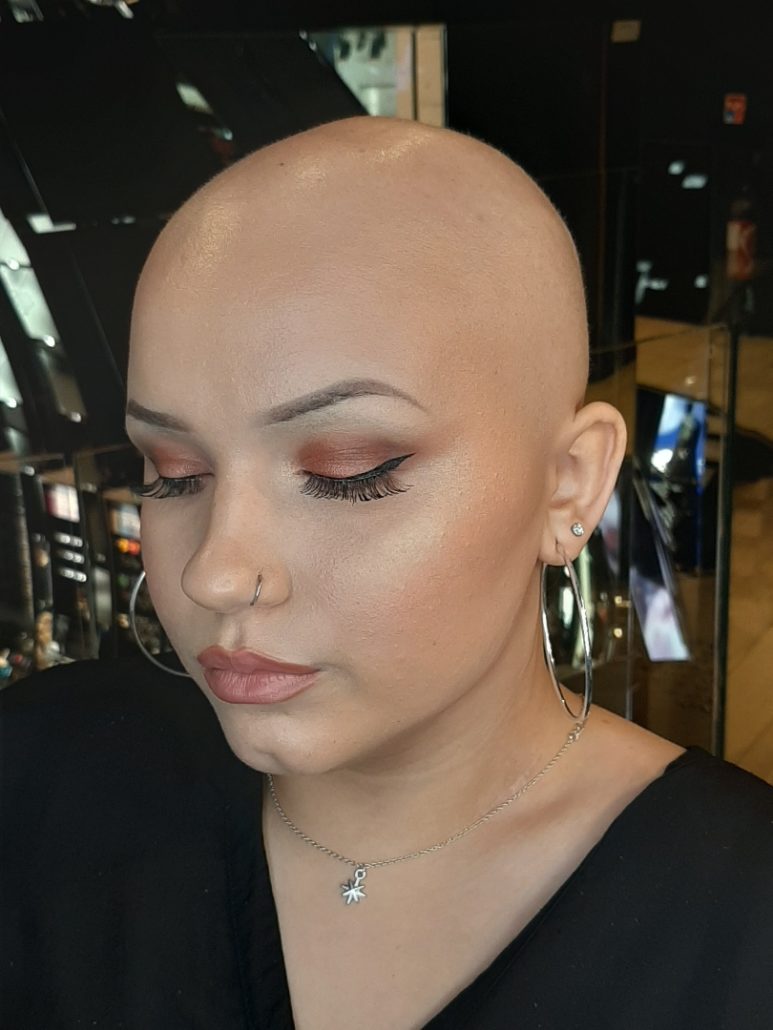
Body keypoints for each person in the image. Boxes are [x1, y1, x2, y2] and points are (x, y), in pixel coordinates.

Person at [2, 116, 772, 1029]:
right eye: (174, 473)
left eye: (349, 472)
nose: (216, 573)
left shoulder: (739, 923)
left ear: (568, 484)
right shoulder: (40, 773)